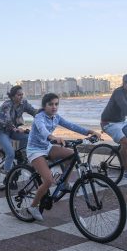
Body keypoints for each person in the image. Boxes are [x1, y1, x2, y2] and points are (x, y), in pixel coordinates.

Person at [25, 93, 100, 221]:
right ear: (44, 106)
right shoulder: (39, 117)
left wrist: (89, 132)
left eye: (56, 104)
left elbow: (71, 125)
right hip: (35, 150)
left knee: (71, 155)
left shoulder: (56, 117)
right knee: (48, 181)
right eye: (50, 104)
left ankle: (64, 184)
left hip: (47, 147)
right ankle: (33, 207)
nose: (54, 107)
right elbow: (42, 130)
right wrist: (53, 137)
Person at [0, 85, 37, 175]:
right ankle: (7, 177)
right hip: (1, 130)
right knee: (10, 153)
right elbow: (7, 119)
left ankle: (20, 162)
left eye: (22, 94)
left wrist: (45, 114)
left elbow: (33, 111)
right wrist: (15, 129)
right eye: (18, 95)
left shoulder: (23, 103)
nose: (21, 96)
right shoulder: (7, 105)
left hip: (12, 130)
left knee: (27, 137)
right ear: (12, 96)